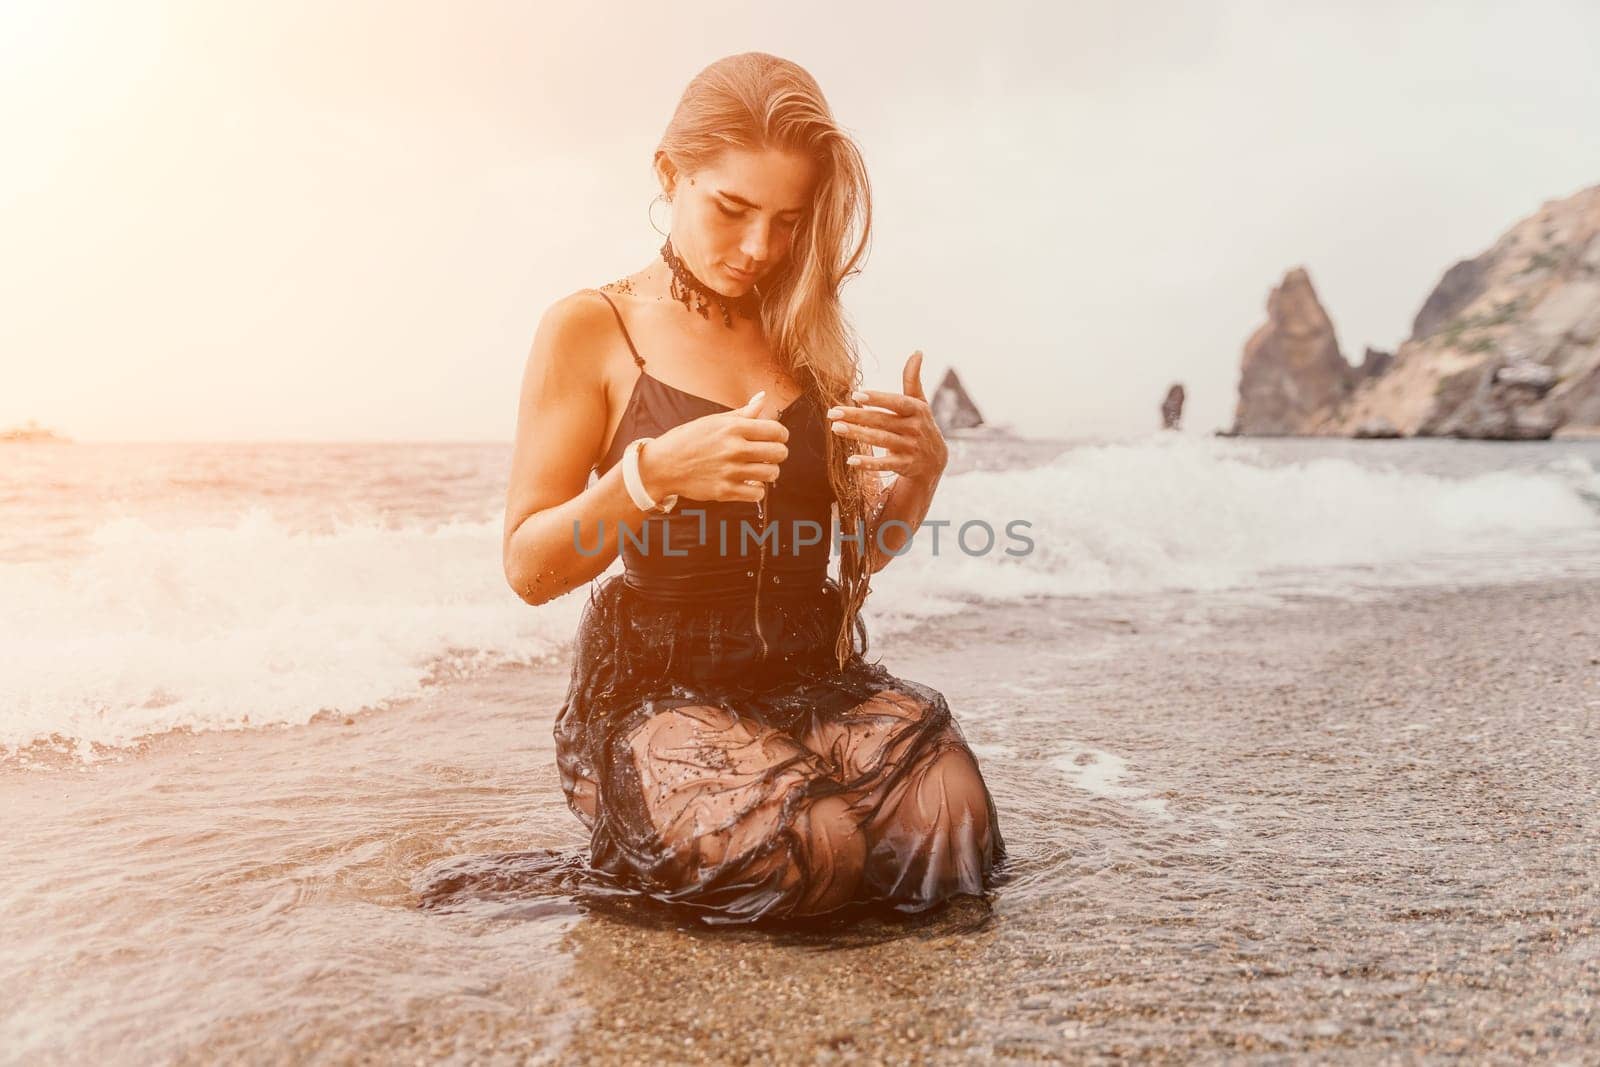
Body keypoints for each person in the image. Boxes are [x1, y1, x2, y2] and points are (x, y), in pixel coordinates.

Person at [502, 52, 1005, 925]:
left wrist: (921, 477)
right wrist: (651, 476)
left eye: (787, 220)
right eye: (731, 209)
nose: (759, 249)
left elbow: (857, 555)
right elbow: (530, 568)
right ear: (671, 173)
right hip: (660, 697)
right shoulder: (592, 327)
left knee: (947, 817)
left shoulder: (805, 330)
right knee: (817, 849)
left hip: (810, 678)